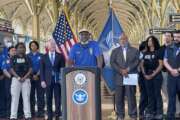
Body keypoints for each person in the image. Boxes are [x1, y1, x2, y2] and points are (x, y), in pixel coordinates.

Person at [110, 33, 139, 120]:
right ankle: (120, 115)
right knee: (119, 97)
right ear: (119, 41)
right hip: (119, 76)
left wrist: (128, 69)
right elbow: (112, 62)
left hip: (130, 76)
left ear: (127, 40)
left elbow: (137, 61)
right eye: (121, 39)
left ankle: (133, 115)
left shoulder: (135, 50)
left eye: (124, 39)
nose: (123, 40)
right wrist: (121, 70)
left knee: (131, 97)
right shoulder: (115, 51)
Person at [40, 39, 65, 120]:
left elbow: (62, 69)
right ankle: (50, 115)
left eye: (54, 44)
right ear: (48, 46)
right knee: (48, 98)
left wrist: (61, 79)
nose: (52, 46)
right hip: (47, 81)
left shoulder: (60, 56)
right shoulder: (43, 57)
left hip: (58, 81)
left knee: (58, 98)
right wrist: (42, 80)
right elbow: (42, 70)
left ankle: (58, 114)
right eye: (51, 45)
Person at [141, 36, 163, 119]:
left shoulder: (158, 52)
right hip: (147, 75)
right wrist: (144, 74)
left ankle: (159, 112)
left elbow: (161, 65)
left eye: (150, 40)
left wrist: (153, 75)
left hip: (156, 75)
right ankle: (150, 112)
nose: (149, 42)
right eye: (148, 41)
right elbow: (142, 64)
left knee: (157, 94)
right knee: (150, 94)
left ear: (154, 42)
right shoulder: (145, 53)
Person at [10, 43, 32, 120]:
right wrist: (18, 78)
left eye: (23, 47)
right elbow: (11, 69)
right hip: (16, 80)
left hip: (26, 80)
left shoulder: (28, 58)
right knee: (15, 98)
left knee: (26, 98)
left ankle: (27, 115)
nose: (22, 49)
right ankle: (13, 116)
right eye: (20, 47)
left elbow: (30, 69)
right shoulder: (13, 58)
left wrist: (24, 77)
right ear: (16, 49)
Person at [164, 30, 180, 120]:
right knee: (171, 98)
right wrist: (172, 70)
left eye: (179, 37)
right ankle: (170, 116)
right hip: (171, 77)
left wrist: (178, 70)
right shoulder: (169, 48)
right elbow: (165, 61)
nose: (177, 38)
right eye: (175, 37)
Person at [27, 41, 45, 118]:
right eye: (31, 45)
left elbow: (43, 66)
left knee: (40, 95)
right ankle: (32, 111)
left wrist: (37, 74)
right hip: (29, 77)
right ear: (30, 47)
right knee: (31, 95)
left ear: (37, 46)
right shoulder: (27, 56)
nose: (33, 47)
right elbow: (26, 67)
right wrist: (32, 75)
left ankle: (41, 111)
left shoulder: (42, 55)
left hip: (39, 77)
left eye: (34, 45)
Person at [2, 46, 16, 119]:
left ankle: (17, 113)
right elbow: (4, 70)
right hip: (9, 79)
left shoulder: (18, 59)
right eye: (12, 50)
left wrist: (16, 77)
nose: (14, 52)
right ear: (8, 52)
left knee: (16, 97)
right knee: (8, 96)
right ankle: (8, 113)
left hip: (17, 80)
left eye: (15, 50)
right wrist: (11, 77)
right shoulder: (6, 59)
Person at [138, 41, 148, 120]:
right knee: (143, 95)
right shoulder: (139, 55)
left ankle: (147, 111)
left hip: (149, 76)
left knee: (148, 95)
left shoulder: (148, 54)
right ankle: (141, 112)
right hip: (142, 77)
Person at [0, 42, 6, 119]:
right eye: (0, 47)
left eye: (2, 47)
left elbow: (6, 68)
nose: (1, 49)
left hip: (2, 78)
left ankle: (2, 112)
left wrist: (3, 75)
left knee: (2, 96)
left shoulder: (4, 56)